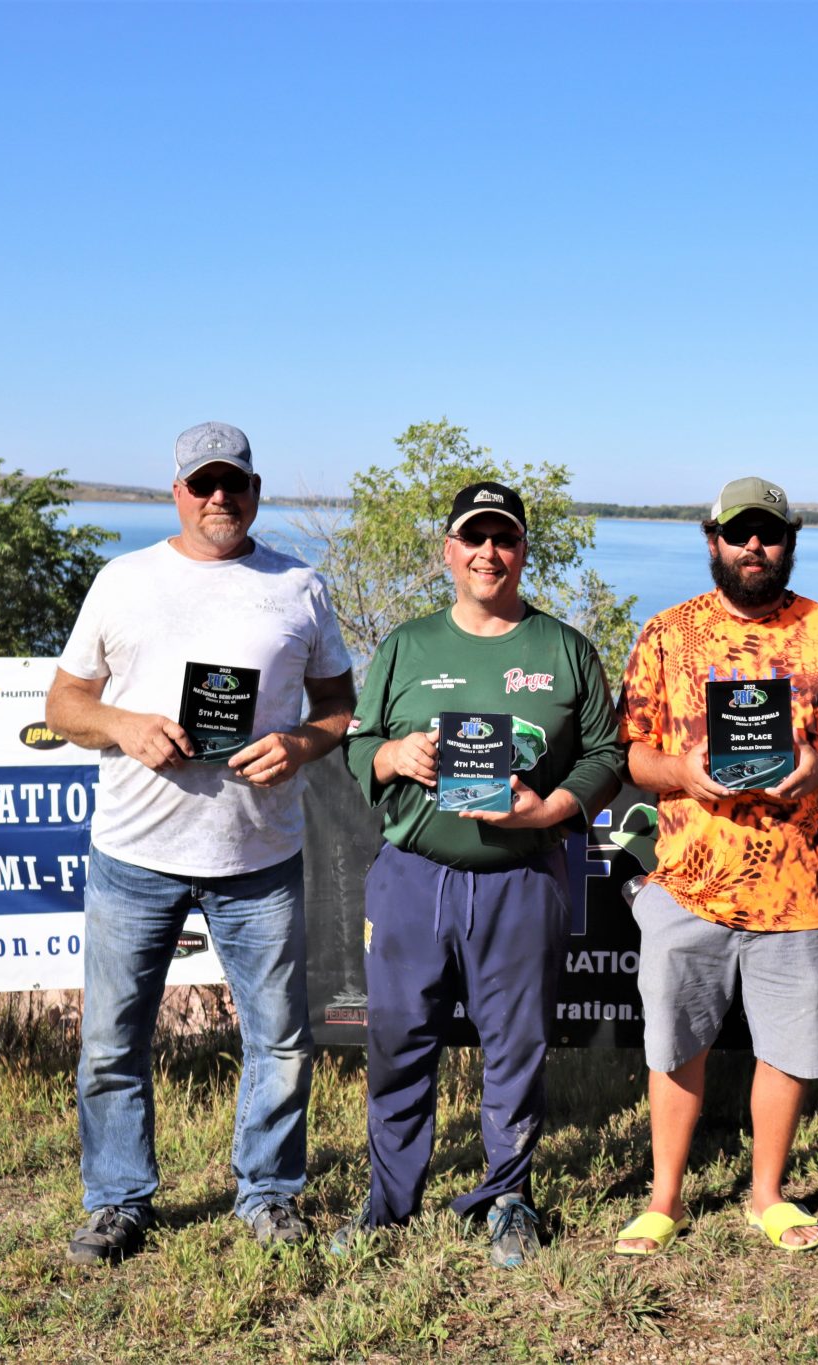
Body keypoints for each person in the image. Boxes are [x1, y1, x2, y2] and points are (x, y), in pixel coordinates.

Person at [46, 421, 355, 1264]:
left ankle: (268, 1193)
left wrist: (300, 743)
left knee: (282, 1041)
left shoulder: (299, 586)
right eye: (203, 483)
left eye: (236, 483)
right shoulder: (123, 580)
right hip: (135, 855)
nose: (221, 497)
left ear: (257, 490)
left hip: (259, 860)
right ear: (176, 490)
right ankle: (117, 1202)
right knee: (114, 1041)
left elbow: (337, 705)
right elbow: (63, 705)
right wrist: (120, 724)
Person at [337, 481, 626, 1268]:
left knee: (517, 1049)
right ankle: (389, 1202)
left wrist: (551, 809)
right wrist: (394, 755)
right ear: (449, 553)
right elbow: (358, 745)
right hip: (413, 876)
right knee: (398, 1044)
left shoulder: (563, 647)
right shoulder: (406, 644)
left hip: (524, 876)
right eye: (474, 538)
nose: (488, 553)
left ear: (524, 550)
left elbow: (608, 753)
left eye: (503, 538)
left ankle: (507, 1195)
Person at [612, 476, 818, 1256]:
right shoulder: (668, 634)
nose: (753, 546)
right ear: (712, 540)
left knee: (787, 1051)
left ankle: (767, 1193)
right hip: (687, 883)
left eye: (768, 533)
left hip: (799, 888)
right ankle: (664, 1197)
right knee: (674, 1045)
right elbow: (632, 752)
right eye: (739, 533)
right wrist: (683, 773)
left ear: (791, 539)